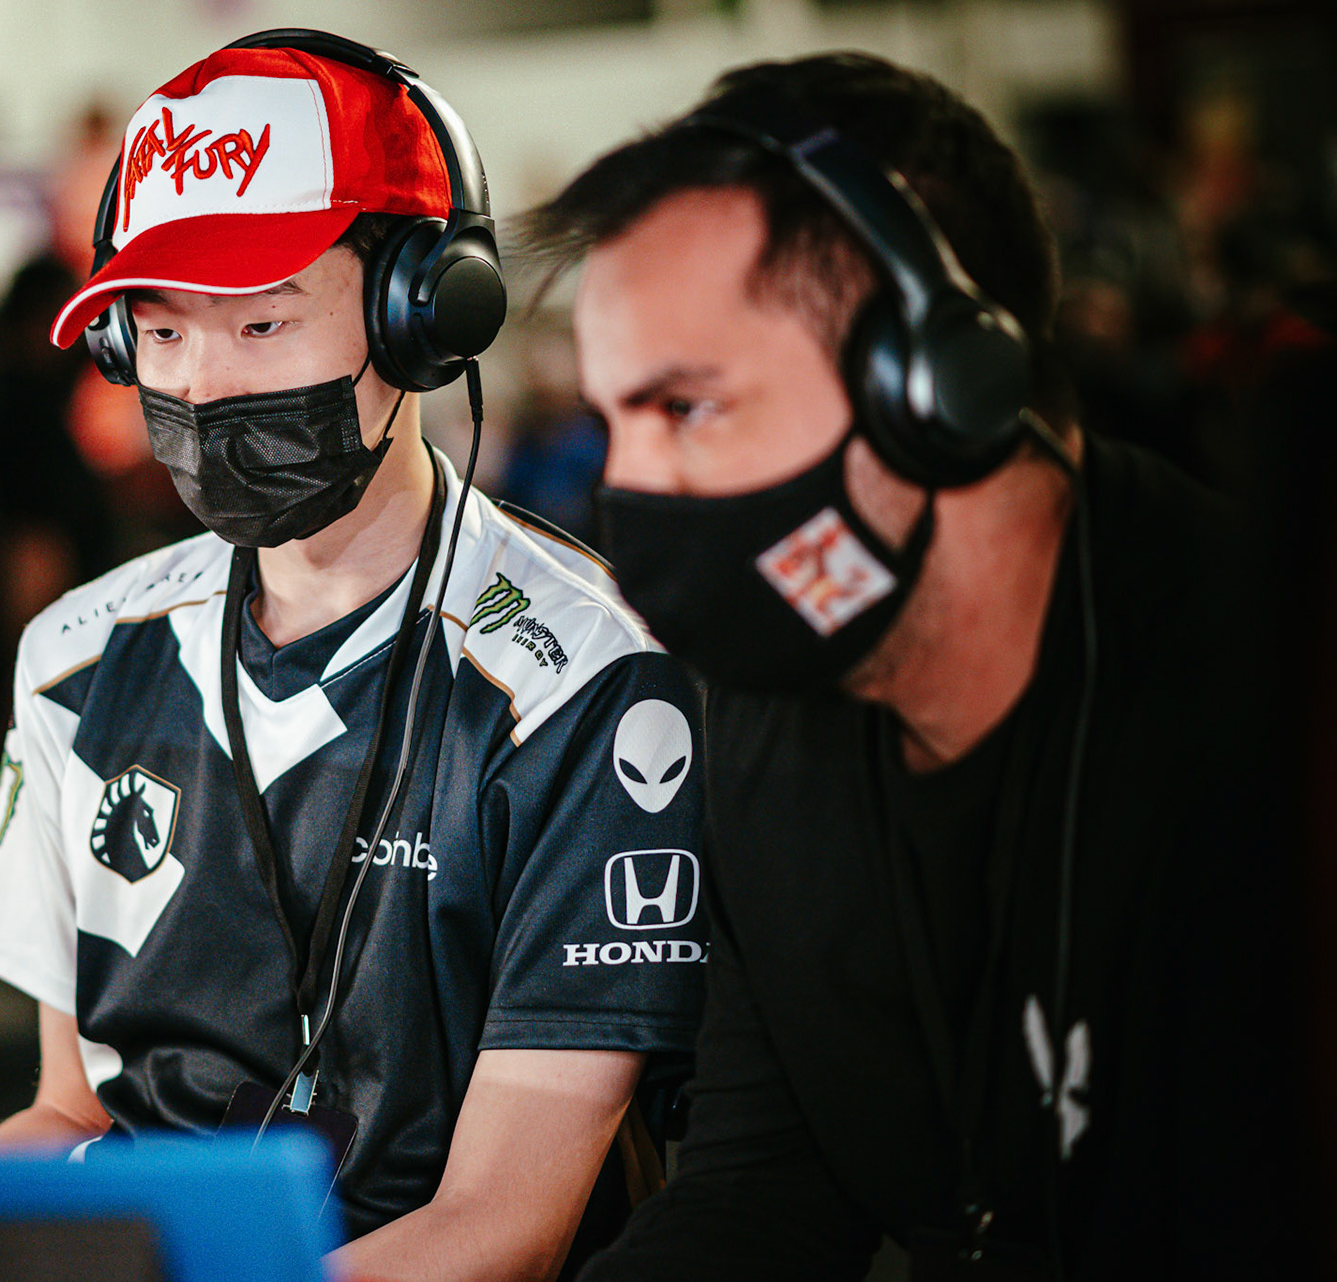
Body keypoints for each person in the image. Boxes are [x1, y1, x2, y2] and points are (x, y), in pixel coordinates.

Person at [526, 53, 1310, 1279]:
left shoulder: (1270, 710)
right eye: (610, 421)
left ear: (938, 387)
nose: (628, 487)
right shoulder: (762, 722)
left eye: (687, 409)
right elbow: (758, 1186)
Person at [0, 31, 706, 1279]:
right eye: (162, 332)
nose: (202, 385)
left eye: (261, 323)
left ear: (426, 314)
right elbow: (71, 1110)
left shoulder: (586, 683)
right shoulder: (74, 662)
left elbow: (505, 1228)